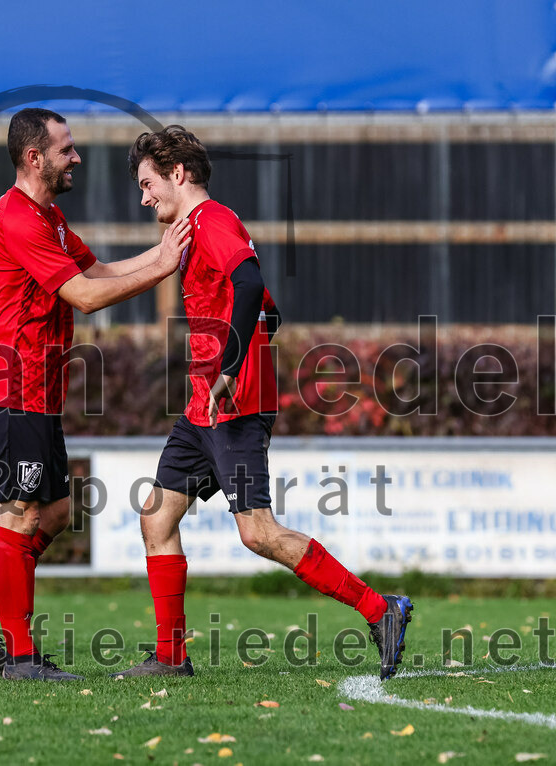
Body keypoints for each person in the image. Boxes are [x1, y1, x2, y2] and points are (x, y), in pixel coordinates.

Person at [111, 126, 412, 680]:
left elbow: (250, 285)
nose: (144, 197)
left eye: (148, 183)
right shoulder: (198, 229)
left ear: (178, 173)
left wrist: (231, 368)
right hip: (204, 409)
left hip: (234, 408)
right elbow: (268, 310)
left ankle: (380, 609)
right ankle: (171, 657)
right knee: (157, 516)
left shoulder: (212, 220)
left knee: (258, 533)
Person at [0, 108, 192, 681]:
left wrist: (165, 255)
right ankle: (18, 656)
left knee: (54, 513)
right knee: (20, 514)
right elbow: (84, 296)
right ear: (34, 157)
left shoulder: (48, 217)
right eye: (66, 149)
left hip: (37, 390)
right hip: (11, 387)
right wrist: (163, 265)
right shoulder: (19, 219)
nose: (76, 157)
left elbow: (98, 270)